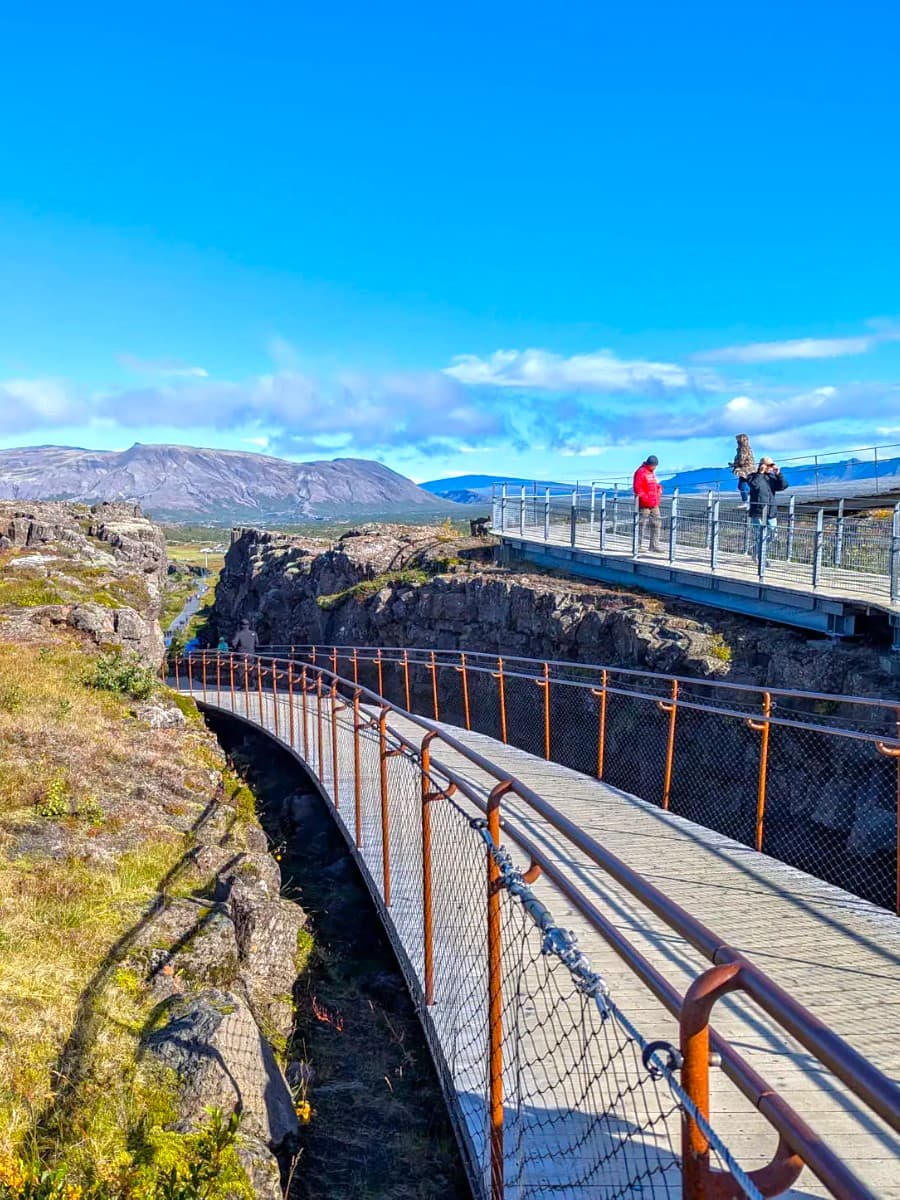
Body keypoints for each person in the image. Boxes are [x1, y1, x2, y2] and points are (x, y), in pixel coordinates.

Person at [746, 456, 787, 555]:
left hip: (771, 511)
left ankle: (756, 550)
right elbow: (755, 485)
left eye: (772, 465)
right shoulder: (752, 476)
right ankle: (761, 559)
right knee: (760, 535)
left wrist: (778, 475)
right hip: (758, 512)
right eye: (770, 465)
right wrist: (760, 473)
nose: (771, 467)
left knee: (773, 534)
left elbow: (783, 486)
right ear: (762, 465)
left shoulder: (772, 477)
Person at [632, 455, 663, 553]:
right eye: (655, 466)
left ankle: (654, 546)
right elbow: (638, 488)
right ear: (651, 465)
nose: (655, 468)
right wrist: (645, 498)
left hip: (654, 503)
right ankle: (638, 545)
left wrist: (659, 488)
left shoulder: (651, 473)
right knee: (641, 524)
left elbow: (653, 485)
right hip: (644, 504)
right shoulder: (640, 472)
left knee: (657, 523)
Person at [729, 433, 755, 504]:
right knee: (745, 486)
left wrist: (734, 465)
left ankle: (746, 502)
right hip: (749, 470)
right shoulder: (747, 448)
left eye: (738, 441)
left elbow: (741, 461)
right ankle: (750, 500)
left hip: (745, 471)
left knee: (742, 486)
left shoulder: (743, 449)